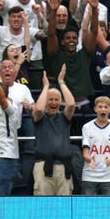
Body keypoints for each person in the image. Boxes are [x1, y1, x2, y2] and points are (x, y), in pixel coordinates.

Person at [32, 66, 76, 196]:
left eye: (56, 99)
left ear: (60, 102)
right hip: (43, 167)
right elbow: (39, 109)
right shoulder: (39, 117)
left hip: (63, 168)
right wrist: (46, 86)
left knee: (64, 208)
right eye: (50, 99)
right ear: (45, 100)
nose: (53, 102)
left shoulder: (64, 117)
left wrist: (61, 82)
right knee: (44, 207)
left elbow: (72, 104)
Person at [81, 96, 110, 195]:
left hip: (109, 176)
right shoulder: (87, 127)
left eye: (106, 107)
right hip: (89, 174)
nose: (103, 109)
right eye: (100, 107)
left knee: (108, 207)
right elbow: (85, 153)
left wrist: (108, 161)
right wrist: (90, 160)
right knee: (87, 207)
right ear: (95, 109)